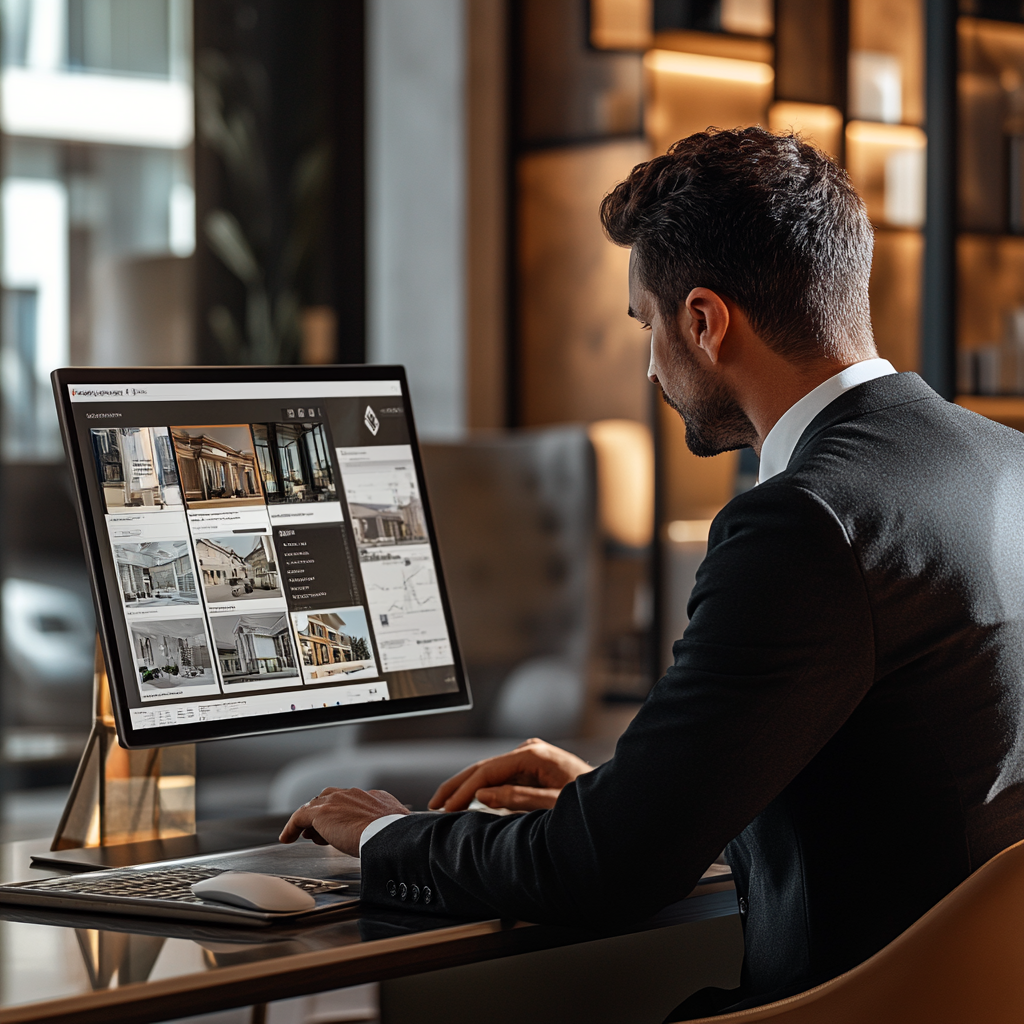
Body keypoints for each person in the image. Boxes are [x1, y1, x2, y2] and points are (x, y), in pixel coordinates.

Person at [280, 127, 1024, 1018]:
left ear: (705, 322)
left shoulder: (801, 524)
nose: (648, 365)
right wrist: (625, 793)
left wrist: (386, 835)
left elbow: (604, 872)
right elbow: (888, 784)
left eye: (647, 325)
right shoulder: (1004, 462)